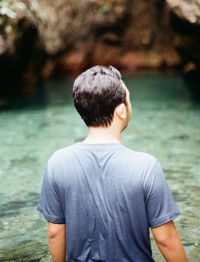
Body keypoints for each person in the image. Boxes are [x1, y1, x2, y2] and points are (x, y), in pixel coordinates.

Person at [37, 65, 188, 262]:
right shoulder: (145, 166)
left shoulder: (58, 162)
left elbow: (55, 232)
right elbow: (166, 238)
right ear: (121, 111)